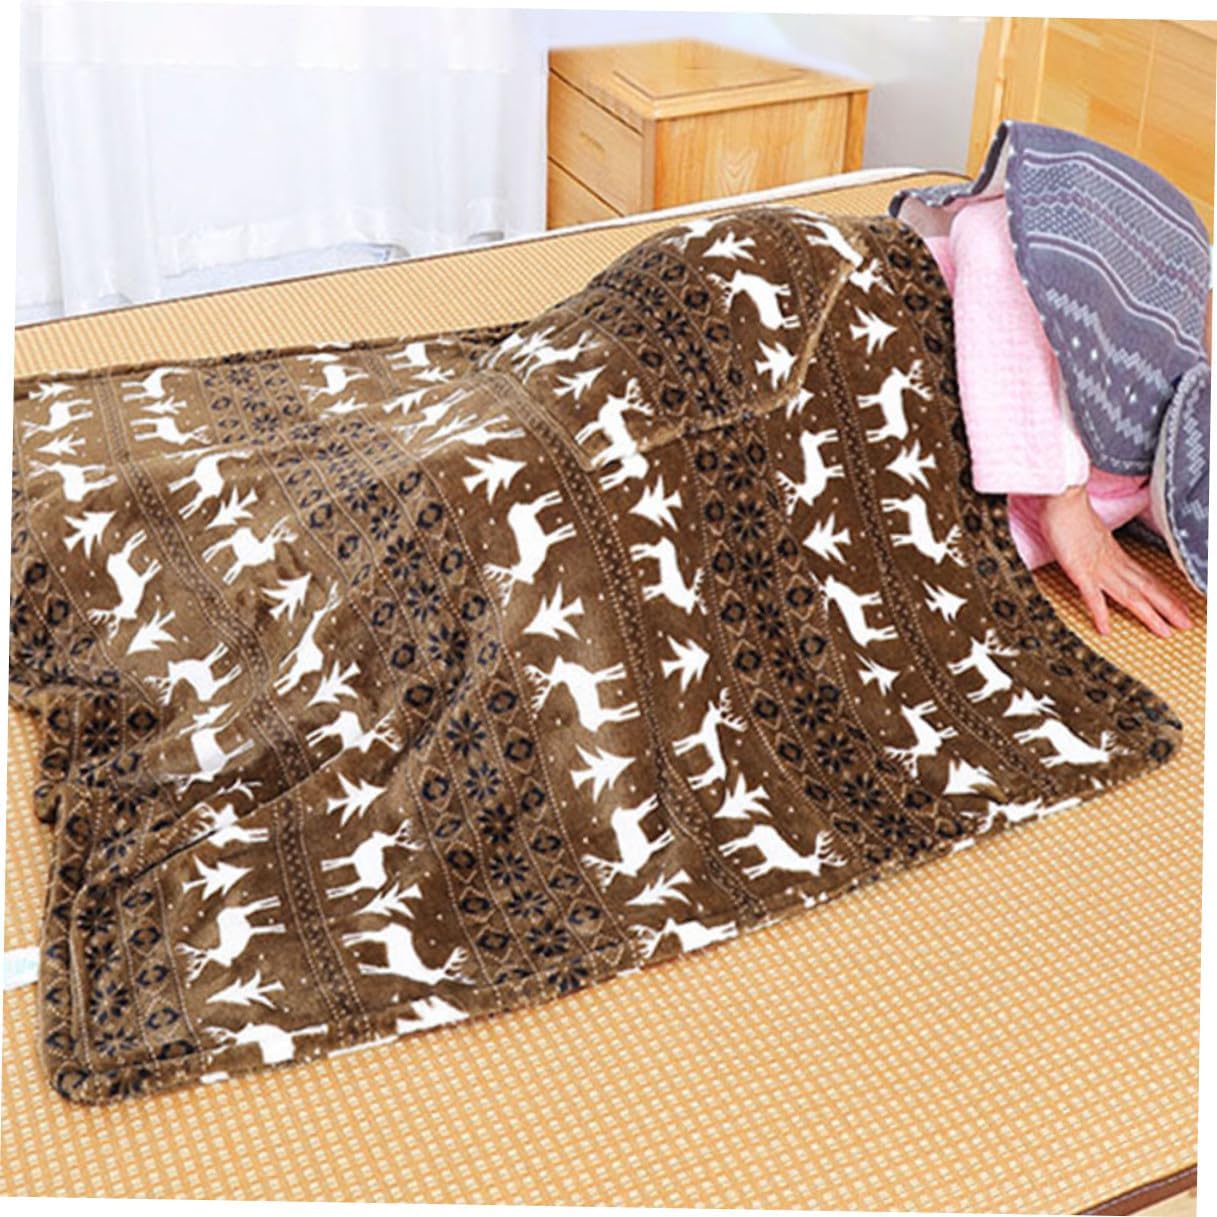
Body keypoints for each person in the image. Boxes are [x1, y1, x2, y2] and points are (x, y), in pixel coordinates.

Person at [892, 121, 1212, 640]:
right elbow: (991, 232)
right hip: (861, 320)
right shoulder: (1174, 258)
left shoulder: (1166, 472)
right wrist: (1064, 494)